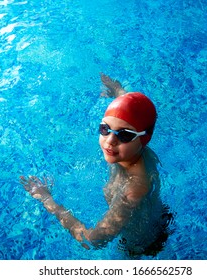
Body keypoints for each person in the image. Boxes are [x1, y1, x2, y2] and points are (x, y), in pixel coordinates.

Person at [20, 73, 173, 257]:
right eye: (104, 128)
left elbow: (92, 240)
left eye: (124, 135)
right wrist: (117, 90)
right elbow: (134, 111)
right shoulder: (133, 150)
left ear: (144, 139)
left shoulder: (133, 189)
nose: (109, 141)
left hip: (141, 242)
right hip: (154, 214)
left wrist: (48, 200)